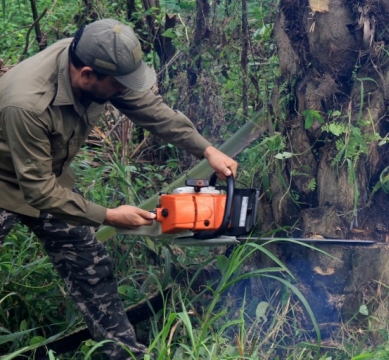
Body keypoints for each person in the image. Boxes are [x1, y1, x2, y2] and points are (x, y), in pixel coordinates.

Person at [0, 18, 237, 359]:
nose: (125, 89)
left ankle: (121, 353)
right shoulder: (27, 102)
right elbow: (37, 191)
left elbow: (148, 108)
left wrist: (207, 149)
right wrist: (109, 215)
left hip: (48, 176)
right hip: (10, 178)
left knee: (90, 265)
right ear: (86, 75)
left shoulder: (95, 56)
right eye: (119, 84)